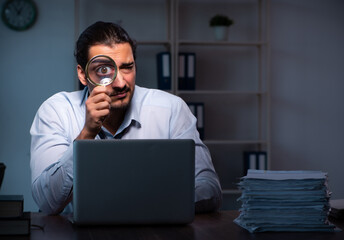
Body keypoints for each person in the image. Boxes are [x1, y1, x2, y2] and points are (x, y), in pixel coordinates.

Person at [30, 21, 222, 215]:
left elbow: (210, 189)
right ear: (82, 74)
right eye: (104, 70)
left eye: (127, 67)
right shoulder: (56, 111)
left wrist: (145, 203)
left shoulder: (171, 109)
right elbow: (47, 203)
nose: (120, 83)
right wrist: (87, 134)